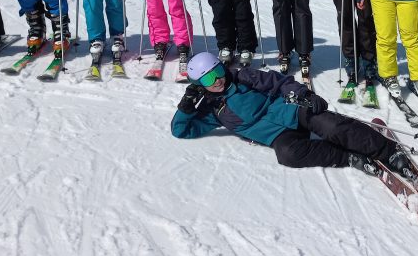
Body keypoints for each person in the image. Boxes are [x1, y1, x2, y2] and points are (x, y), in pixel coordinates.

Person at [171, 52, 405, 171]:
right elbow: (181, 130)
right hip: (278, 136)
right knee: (288, 155)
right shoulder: (214, 110)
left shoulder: (243, 77)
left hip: (291, 111)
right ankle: (349, 156)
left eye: (218, 71)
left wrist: (305, 95)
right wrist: (186, 107)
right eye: (209, 79)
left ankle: (387, 151)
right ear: (199, 84)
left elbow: (279, 82)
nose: (218, 80)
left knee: (330, 125)